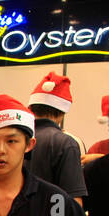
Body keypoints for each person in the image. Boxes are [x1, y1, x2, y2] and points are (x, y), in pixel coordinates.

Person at [25, 72, 87, 206]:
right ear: (62, 112)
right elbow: (73, 200)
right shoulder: (65, 143)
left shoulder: (17, 138)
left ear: (31, 107)